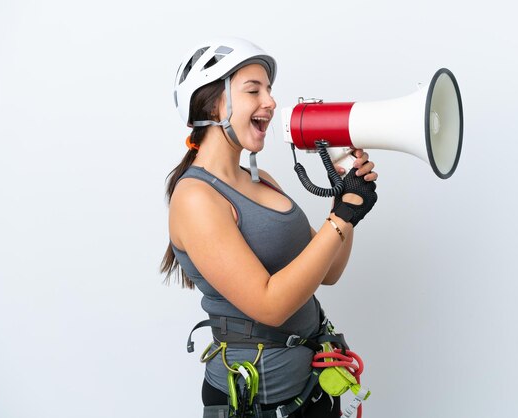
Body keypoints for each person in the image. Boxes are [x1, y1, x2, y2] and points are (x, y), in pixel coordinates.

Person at [161, 37, 378, 418]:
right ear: (214, 104)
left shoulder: (263, 181)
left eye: (270, 90)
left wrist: (344, 203)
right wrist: (341, 216)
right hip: (257, 404)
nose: (272, 102)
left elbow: (329, 271)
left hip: (314, 386)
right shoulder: (196, 198)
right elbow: (269, 306)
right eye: (253, 90)